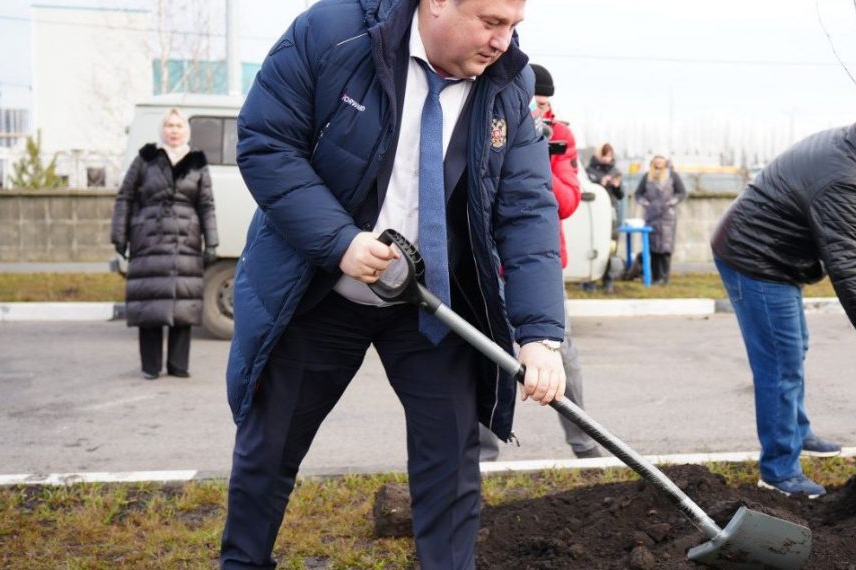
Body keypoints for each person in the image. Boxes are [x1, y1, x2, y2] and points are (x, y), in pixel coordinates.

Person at [220, 1, 568, 568]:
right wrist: (339, 242)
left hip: (434, 303)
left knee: (450, 465)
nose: (503, 42)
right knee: (269, 450)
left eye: (513, 26)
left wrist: (540, 334)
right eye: (489, 22)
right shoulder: (333, 34)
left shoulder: (509, 84)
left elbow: (526, 211)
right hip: (320, 289)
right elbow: (267, 143)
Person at [711, 100, 856, 498]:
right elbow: (848, 268)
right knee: (781, 362)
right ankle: (778, 473)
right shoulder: (846, 175)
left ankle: (795, 429)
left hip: (772, 255)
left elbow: (852, 253)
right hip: (755, 258)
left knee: (794, 348)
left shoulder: (853, 146)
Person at [478, 63, 602, 460]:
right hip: (484, 261)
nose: (538, 108)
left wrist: (538, 157)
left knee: (560, 352)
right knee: (481, 350)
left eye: (544, 103)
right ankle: (482, 454)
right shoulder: (488, 119)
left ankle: (583, 444)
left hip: (536, 264)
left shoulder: (559, 136)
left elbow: (564, 202)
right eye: (534, 101)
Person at [110, 108, 217, 381]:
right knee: (149, 302)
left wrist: (212, 241)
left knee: (183, 301)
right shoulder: (145, 159)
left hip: (186, 239)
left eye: (178, 125)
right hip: (148, 237)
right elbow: (125, 197)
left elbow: (206, 203)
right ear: (162, 130)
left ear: (186, 131)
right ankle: (150, 367)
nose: (173, 130)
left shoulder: (197, 162)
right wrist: (119, 235)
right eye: (169, 125)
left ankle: (178, 365)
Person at [634, 155, 686, 285]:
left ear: (665, 161)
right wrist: (645, 203)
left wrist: (672, 202)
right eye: (656, 158)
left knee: (665, 249)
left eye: (661, 158)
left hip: (667, 217)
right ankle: (654, 277)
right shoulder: (647, 176)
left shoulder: (673, 176)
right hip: (651, 216)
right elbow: (638, 194)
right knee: (653, 248)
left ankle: (664, 278)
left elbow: (681, 193)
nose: (658, 161)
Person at [586, 143, 624, 293]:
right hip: (595, 215)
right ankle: (590, 282)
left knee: (611, 247)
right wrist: (599, 184)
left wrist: (617, 186)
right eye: (604, 155)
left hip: (611, 214)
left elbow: (621, 195)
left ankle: (608, 280)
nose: (607, 158)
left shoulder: (616, 171)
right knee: (593, 245)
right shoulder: (589, 171)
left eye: (609, 155)